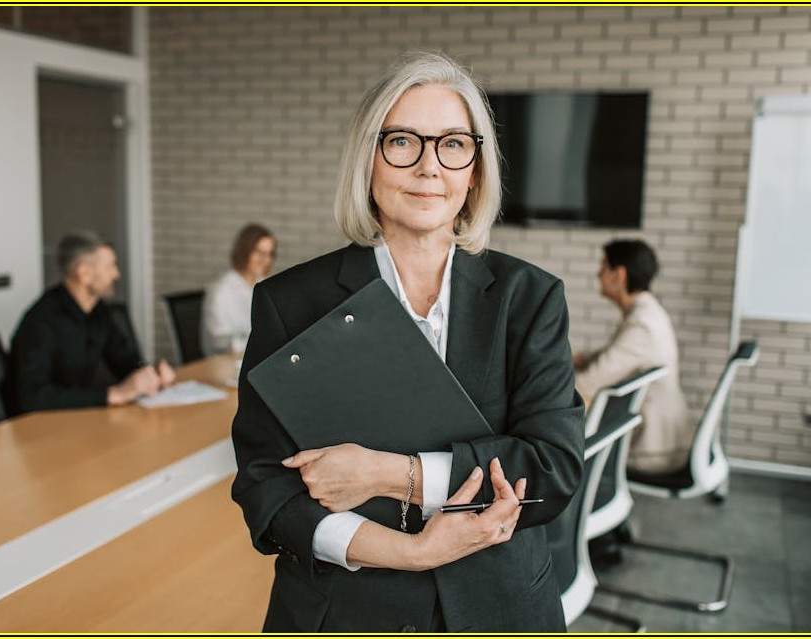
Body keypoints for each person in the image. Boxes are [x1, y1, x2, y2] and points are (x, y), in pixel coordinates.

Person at [231, 52, 584, 633]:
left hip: (496, 605)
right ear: (368, 159)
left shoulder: (530, 298)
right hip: (345, 609)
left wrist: (386, 474)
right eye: (402, 142)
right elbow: (265, 487)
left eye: (452, 143)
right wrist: (413, 551)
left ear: (475, 168)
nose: (429, 167)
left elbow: (552, 470)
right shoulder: (289, 302)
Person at [7, 231, 175, 414]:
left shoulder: (98, 311)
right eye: (110, 266)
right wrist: (113, 394)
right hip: (35, 430)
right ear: (84, 273)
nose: (116, 275)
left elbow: (123, 361)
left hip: (77, 419)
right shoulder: (41, 321)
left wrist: (152, 373)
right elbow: (34, 397)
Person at [573, 239, 693, 474]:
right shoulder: (646, 313)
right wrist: (578, 358)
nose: (598, 274)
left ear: (619, 275)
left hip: (654, 451)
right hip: (662, 440)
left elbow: (587, 382)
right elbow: (611, 356)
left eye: (603, 267)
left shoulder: (642, 324)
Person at [201, 223, 276, 356]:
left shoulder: (264, 284)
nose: (265, 260)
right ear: (244, 251)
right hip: (224, 362)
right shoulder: (221, 291)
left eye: (269, 254)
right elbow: (218, 341)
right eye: (259, 253)